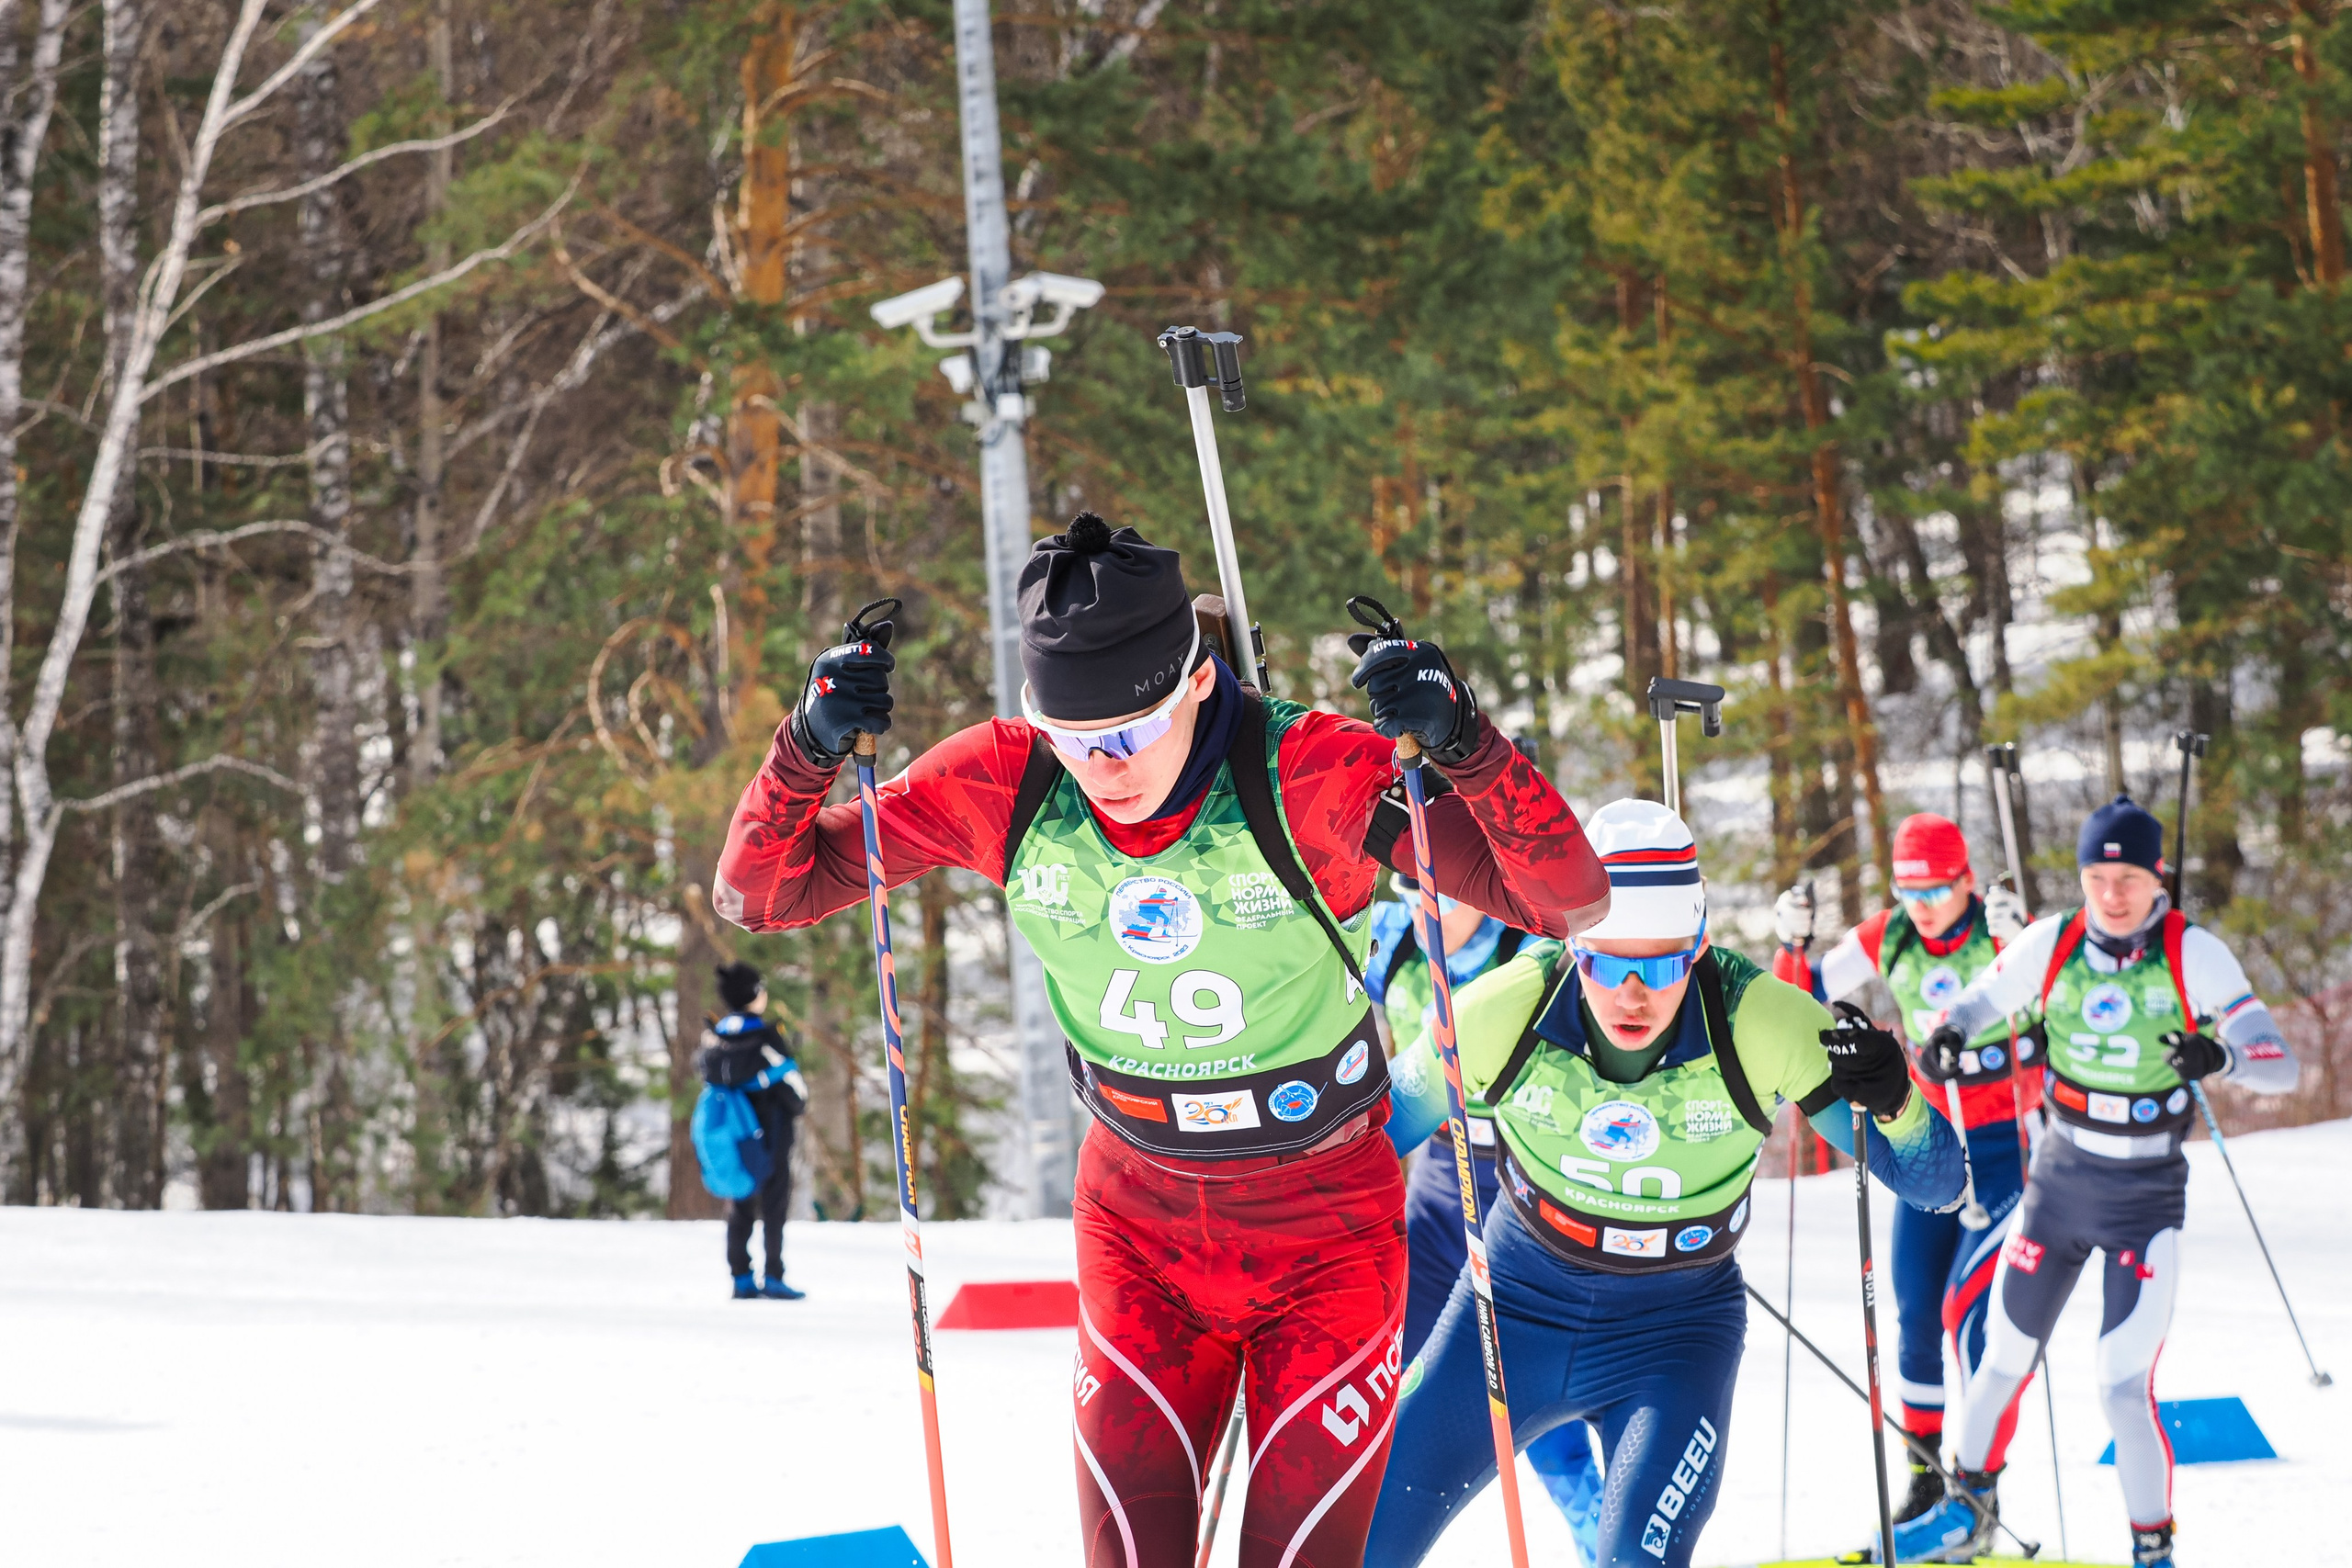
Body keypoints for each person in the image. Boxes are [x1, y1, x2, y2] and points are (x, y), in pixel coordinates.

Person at [712, 512, 1610, 1568]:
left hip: (1323, 1231)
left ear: (1196, 681)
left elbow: (1566, 902)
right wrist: (807, 748)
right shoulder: (1007, 781)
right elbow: (757, 896)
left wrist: (1463, 742)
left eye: (1130, 733)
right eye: (1074, 738)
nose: (1105, 769)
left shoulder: (1306, 771)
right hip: (1138, 1230)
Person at [1367, 799, 1965, 1568]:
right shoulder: (1501, 1009)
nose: (1632, 994)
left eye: (1659, 966)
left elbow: (1936, 1185)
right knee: (1366, 1536)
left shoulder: (1761, 1021)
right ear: (1572, 943)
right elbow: (1365, 1143)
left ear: (1699, 945)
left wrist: (1896, 1100)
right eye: (1605, 963)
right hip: (1514, 1309)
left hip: (1674, 1335)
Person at [1893, 795, 2301, 1567]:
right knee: (2000, 1359)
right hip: (2058, 1185)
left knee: (2120, 1385)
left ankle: (2152, 1547)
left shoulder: (2193, 953)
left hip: (2144, 1198)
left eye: (2129, 878)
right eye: (2096, 877)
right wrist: (1950, 1033)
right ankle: (1966, 1512)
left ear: (2158, 877)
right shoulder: (2054, 941)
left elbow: (2282, 1064)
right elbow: (1979, 999)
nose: (2112, 894)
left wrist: (2222, 1056)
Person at [1770, 815, 2040, 1536]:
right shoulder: (1890, 934)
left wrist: (2021, 939)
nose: (1921, 905)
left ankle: (1980, 1491)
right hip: (1931, 1146)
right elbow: (1801, 995)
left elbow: (2059, 1006)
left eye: (1936, 889)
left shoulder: (1998, 927)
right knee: (1916, 1311)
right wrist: (1792, 943)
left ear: (1966, 881)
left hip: (2004, 1145)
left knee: (1971, 1316)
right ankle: (1925, 1480)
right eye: (1907, 889)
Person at [1369, 875, 1607, 1567]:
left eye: (1440, 902)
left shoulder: (1526, 953)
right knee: (1390, 1381)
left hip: (1518, 1186)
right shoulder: (1392, 941)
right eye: (1411, 898)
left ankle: (1601, 1542)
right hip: (1440, 1185)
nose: (1424, 917)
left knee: (1530, 1394)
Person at [696, 962, 808, 1300]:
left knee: (741, 1203)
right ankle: (773, 1275)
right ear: (756, 994)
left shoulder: (715, 1036)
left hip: (737, 1135)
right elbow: (796, 1092)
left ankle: (741, 1276)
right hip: (772, 1133)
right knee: (775, 1205)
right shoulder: (765, 1037)